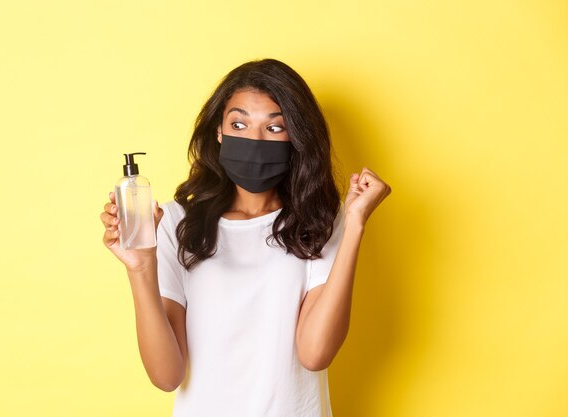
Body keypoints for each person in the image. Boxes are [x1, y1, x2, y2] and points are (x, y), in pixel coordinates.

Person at [100, 58, 391, 417]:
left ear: (296, 138)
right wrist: (140, 266)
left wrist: (355, 223)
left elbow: (315, 354)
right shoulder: (177, 221)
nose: (253, 141)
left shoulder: (320, 222)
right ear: (219, 132)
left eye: (273, 128)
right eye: (239, 124)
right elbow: (166, 375)